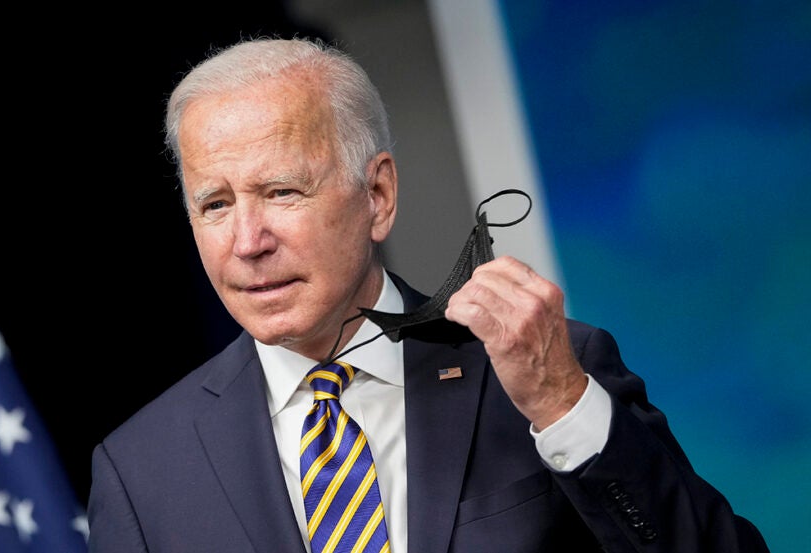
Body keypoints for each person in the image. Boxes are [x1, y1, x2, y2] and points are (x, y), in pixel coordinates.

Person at [86, 36, 769, 553]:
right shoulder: (142, 471)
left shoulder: (550, 368)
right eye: (214, 204)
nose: (248, 240)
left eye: (281, 192)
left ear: (377, 196)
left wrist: (564, 406)